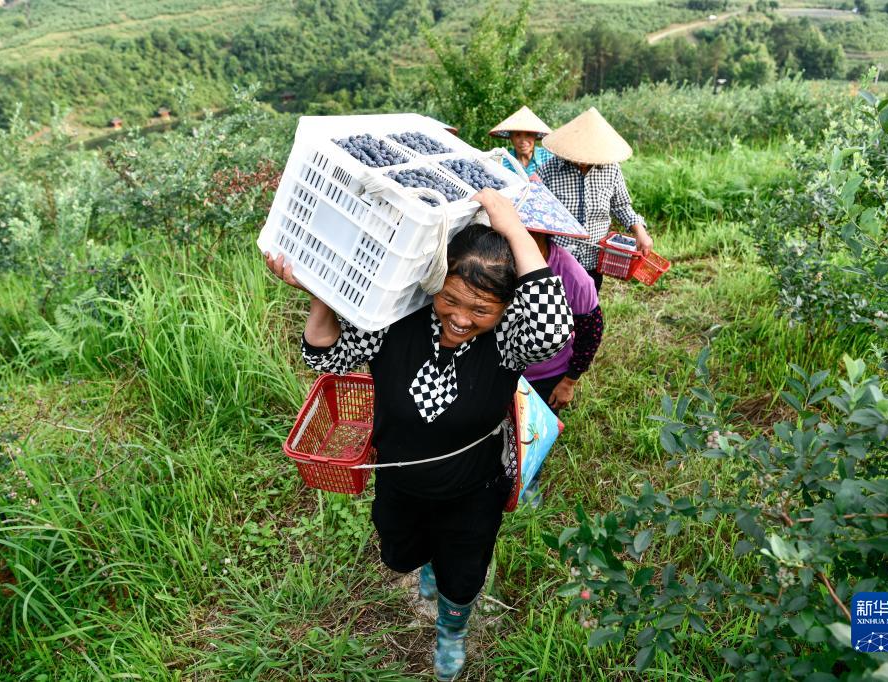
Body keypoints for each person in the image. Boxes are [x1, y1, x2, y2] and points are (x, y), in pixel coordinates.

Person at [265, 189, 573, 681]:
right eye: (451, 298)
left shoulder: (508, 342)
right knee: (400, 553)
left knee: (465, 571)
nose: (461, 317)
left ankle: (452, 633)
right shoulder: (397, 320)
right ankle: (427, 564)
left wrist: (512, 227)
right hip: (399, 481)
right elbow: (326, 357)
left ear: (506, 310)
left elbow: (555, 330)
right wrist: (320, 292)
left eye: (482, 308)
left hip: (473, 487)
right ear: (434, 283)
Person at [521, 229, 603, 506]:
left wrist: (569, 381)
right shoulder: (498, 262)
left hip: (546, 375)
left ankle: (528, 486)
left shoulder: (571, 275)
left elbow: (591, 332)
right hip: (504, 366)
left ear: (542, 236)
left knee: (532, 434)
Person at [539, 107, 654, 290]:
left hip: (594, 258)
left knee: (587, 306)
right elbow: (538, 212)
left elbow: (621, 206)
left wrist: (640, 231)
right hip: (558, 258)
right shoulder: (550, 170)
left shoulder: (611, 169)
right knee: (558, 312)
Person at [489, 106, 554, 178]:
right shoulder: (504, 161)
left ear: (535, 136)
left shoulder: (548, 157)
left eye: (528, 134)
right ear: (511, 138)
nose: (523, 141)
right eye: (517, 135)